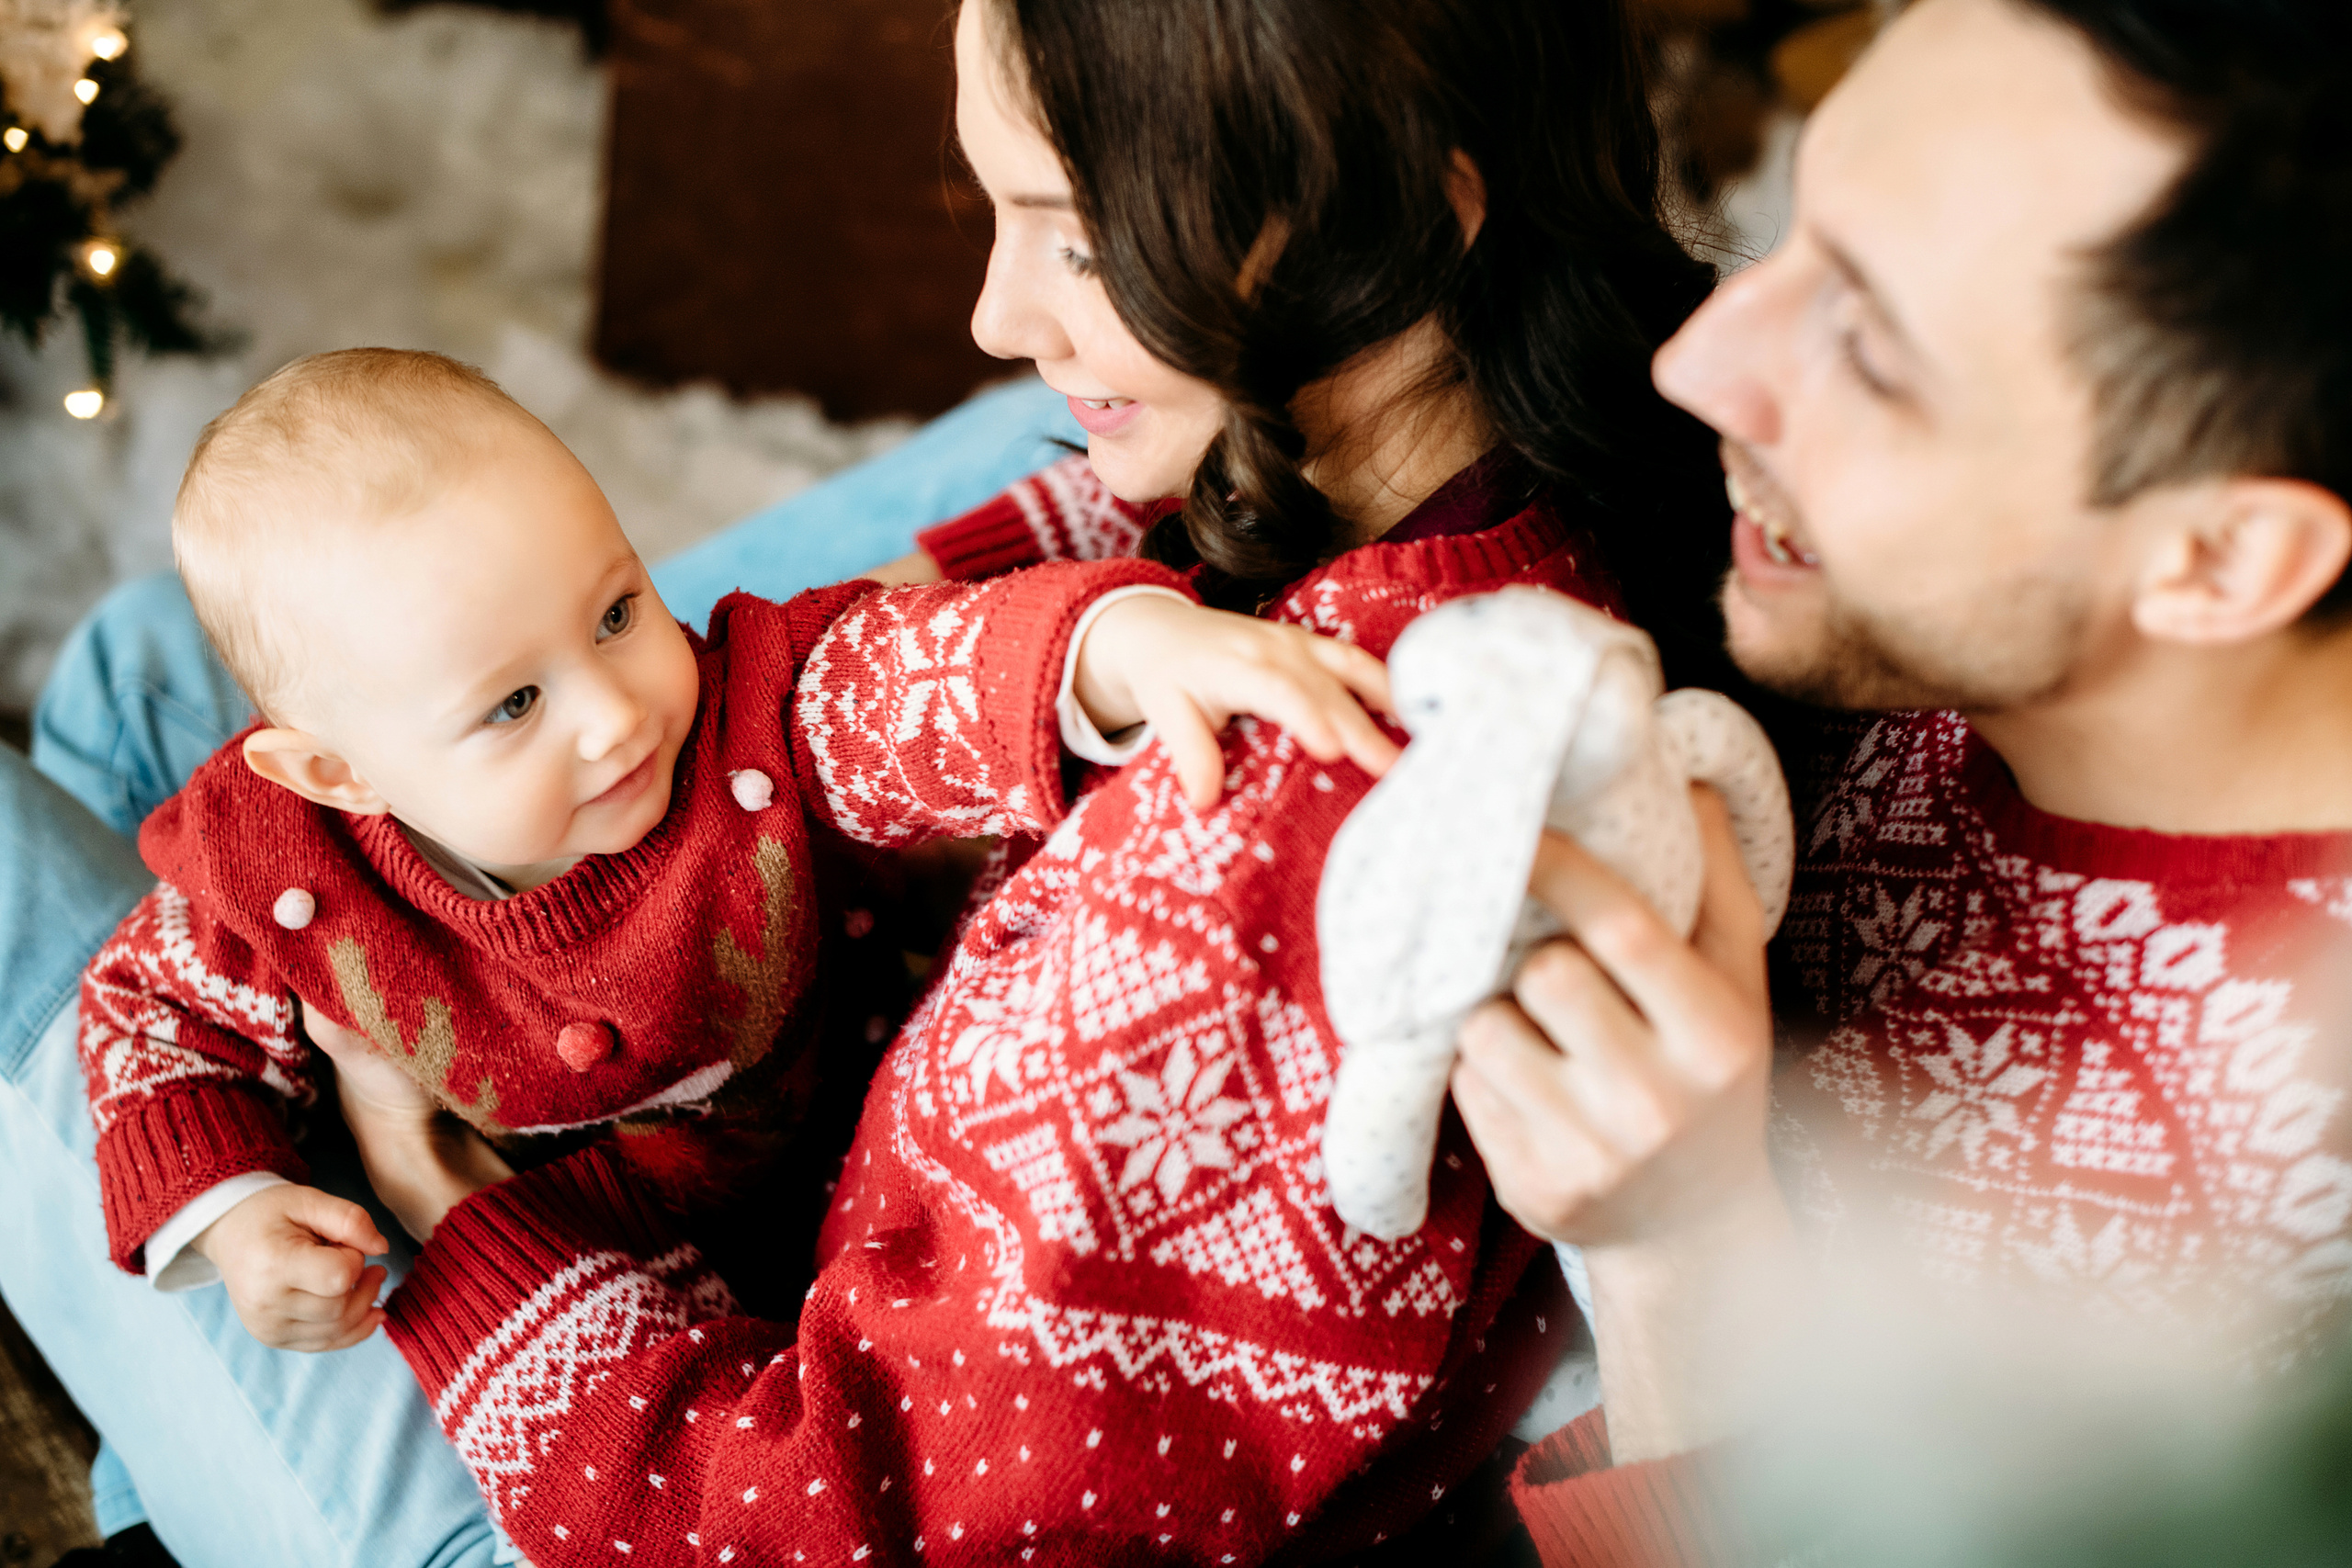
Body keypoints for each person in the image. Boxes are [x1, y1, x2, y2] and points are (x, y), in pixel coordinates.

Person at [3, 0, 1726, 1561]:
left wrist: (438, 1201)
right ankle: (179, 1481)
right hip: (572, 1235)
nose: (990, 310)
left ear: (1413, 207)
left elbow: (835, 1521)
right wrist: (227, 1203)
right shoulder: (1469, 483)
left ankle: (179, 1500)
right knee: (158, 664)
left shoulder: (1280, 827)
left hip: (661, 1450)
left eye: (1070, 232)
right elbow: (174, 1010)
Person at [1444, 0, 2352, 1560]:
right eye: (1782, 230)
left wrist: (1681, 1257)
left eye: (1868, 347)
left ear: (2219, 558)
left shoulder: (2276, 1325)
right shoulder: (1876, 615)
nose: (1697, 361)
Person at [81, 345, 1396, 1350]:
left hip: (813, 1194)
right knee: (129, 664)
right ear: (336, 772)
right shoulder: (284, 871)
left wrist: (1118, 647)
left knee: (120, 670)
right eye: (515, 705)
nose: (614, 716)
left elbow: (900, 673)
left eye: (616, 609)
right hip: (548, 1252)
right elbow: (145, 1008)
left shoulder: (746, 725)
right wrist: (235, 1210)